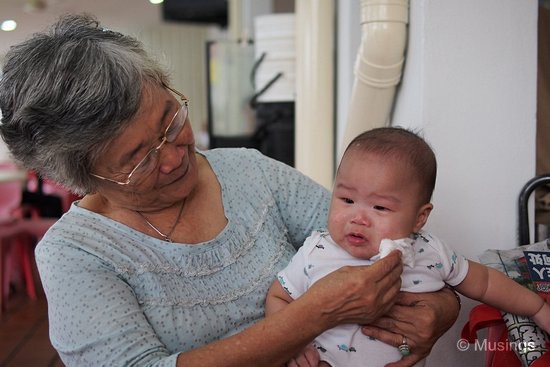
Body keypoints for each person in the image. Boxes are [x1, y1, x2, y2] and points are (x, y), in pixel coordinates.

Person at [0, 15, 460, 367]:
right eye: (138, 159)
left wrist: (440, 309)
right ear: (81, 179)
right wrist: (308, 318)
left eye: (170, 121)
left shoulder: (248, 172)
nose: (175, 155)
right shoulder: (75, 253)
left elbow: (397, 250)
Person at [266, 127, 550, 367]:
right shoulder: (317, 251)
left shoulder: (430, 252)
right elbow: (279, 296)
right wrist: (291, 342)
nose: (358, 218)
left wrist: (537, 308)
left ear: (419, 217)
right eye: (347, 200)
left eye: (379, 207)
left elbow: (486, 282)